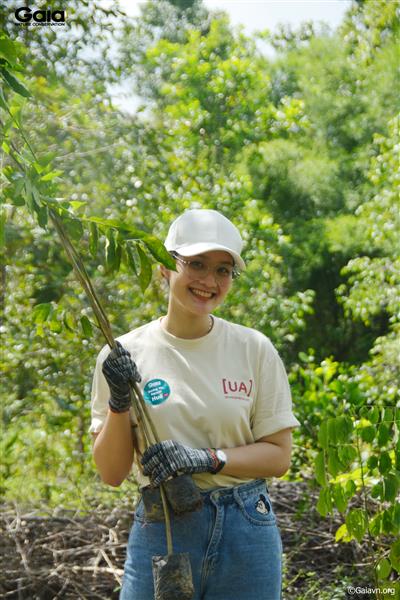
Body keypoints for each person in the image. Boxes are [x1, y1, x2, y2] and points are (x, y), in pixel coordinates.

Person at [90, 208, 300, 600]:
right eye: (197, 264)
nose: (209, 281)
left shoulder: (253, 348)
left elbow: (278, 456)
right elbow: (112, 473)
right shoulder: (123, 354)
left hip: (245, 528)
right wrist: (119, 402)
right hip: (164, 526)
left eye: (223, 270)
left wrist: (206, 459)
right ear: (165, 268)